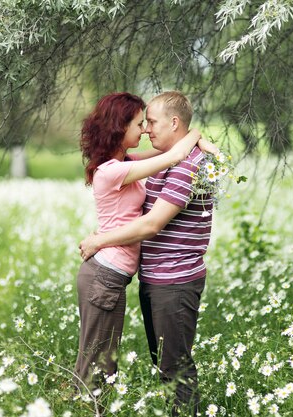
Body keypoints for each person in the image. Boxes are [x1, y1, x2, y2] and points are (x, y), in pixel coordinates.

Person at [79, 91, 214, 415]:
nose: (146, 130)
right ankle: (84, 409)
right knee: (98, 364)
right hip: (117, 275)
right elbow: (170, 157)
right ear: (119, 127)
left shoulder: (176, 166)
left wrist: (196, 137)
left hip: (166, 280)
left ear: (174, 123)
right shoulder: (121, 167)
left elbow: (152, 223)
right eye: (141, 124)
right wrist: (196, 137)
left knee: (162, 367)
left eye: (150, 123)